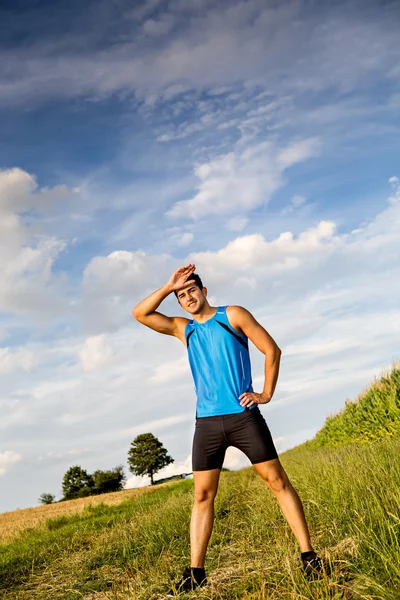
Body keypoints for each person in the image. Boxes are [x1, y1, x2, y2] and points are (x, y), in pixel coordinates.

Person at [132, 264, 322, 594]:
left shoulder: (232, 315)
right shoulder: (183, 329)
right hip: (206, 423)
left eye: (192, 290)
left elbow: (272, 350)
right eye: (181, 295)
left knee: (277, 482)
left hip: (242, 417)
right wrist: (168, 286)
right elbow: (140, 313)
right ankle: (196, 573)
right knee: (203, 495)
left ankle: (309, 558)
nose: (187, 297)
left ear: (204, 292)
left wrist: (265, 394)